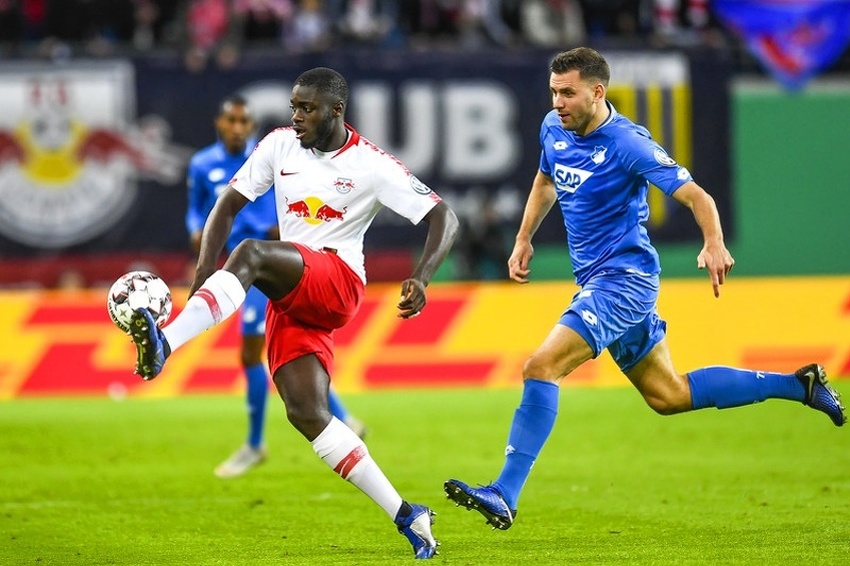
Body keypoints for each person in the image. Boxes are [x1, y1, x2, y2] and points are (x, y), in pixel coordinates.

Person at [443, 46, 845, 532]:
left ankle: (504, 492)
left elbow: (697, 195)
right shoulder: (554, 127)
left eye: (567, 93)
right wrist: (524, 237)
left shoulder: (629, 144)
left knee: (540, 366)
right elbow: (546, 179)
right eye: (553, 92)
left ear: (598, 91)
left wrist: (714, 243)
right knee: (668, 395)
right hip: (597, 281)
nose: (557, 102)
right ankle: (798, 385)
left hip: (624, 282)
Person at [129, 67, 458, 559]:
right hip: (296, 298)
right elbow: (225, 206)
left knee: (252, 255)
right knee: (307, 413)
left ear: (336, 111)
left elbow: (443, 216)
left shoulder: (372, 164)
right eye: (294, 107)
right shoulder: (279, 145)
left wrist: (424, 276)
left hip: (337, 282)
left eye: (307, 108)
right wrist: (202, 276)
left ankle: (166, 344)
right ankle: (408, 514)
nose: (297, 116)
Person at [186, 94, 366, 479]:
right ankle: (343, 418)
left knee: (260, 352)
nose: (238, 128)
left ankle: (255, 444)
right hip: (240, 267)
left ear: (251, 126)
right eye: (231, 120)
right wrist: (195, 232)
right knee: (273, 353)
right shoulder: (202, 164)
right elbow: (197, 208)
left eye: (244, 122)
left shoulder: (277, 154)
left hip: (274, 265)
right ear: (220, 123)